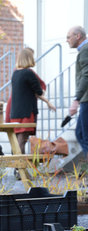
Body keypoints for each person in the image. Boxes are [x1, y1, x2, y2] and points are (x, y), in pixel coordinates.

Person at [6, 47, 56, 155]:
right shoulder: (28, 73)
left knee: (16, 140)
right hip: (27, 112)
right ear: (29, 58)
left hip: (15, 112)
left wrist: (47, 102)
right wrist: (47, 101)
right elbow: (39, 91)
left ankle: (16, 169)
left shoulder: (15, 73)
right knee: (22, 140)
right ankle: (20, 169)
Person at [67, 26, 88, 158]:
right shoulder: (84, 50)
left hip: (86, 99)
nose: (67, 40)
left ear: (78, 36)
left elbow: (86, 75)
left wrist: (76, 99)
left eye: (69, 37)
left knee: (85, 136)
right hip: (85, 99)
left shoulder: (86, 50)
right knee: (80, 133)